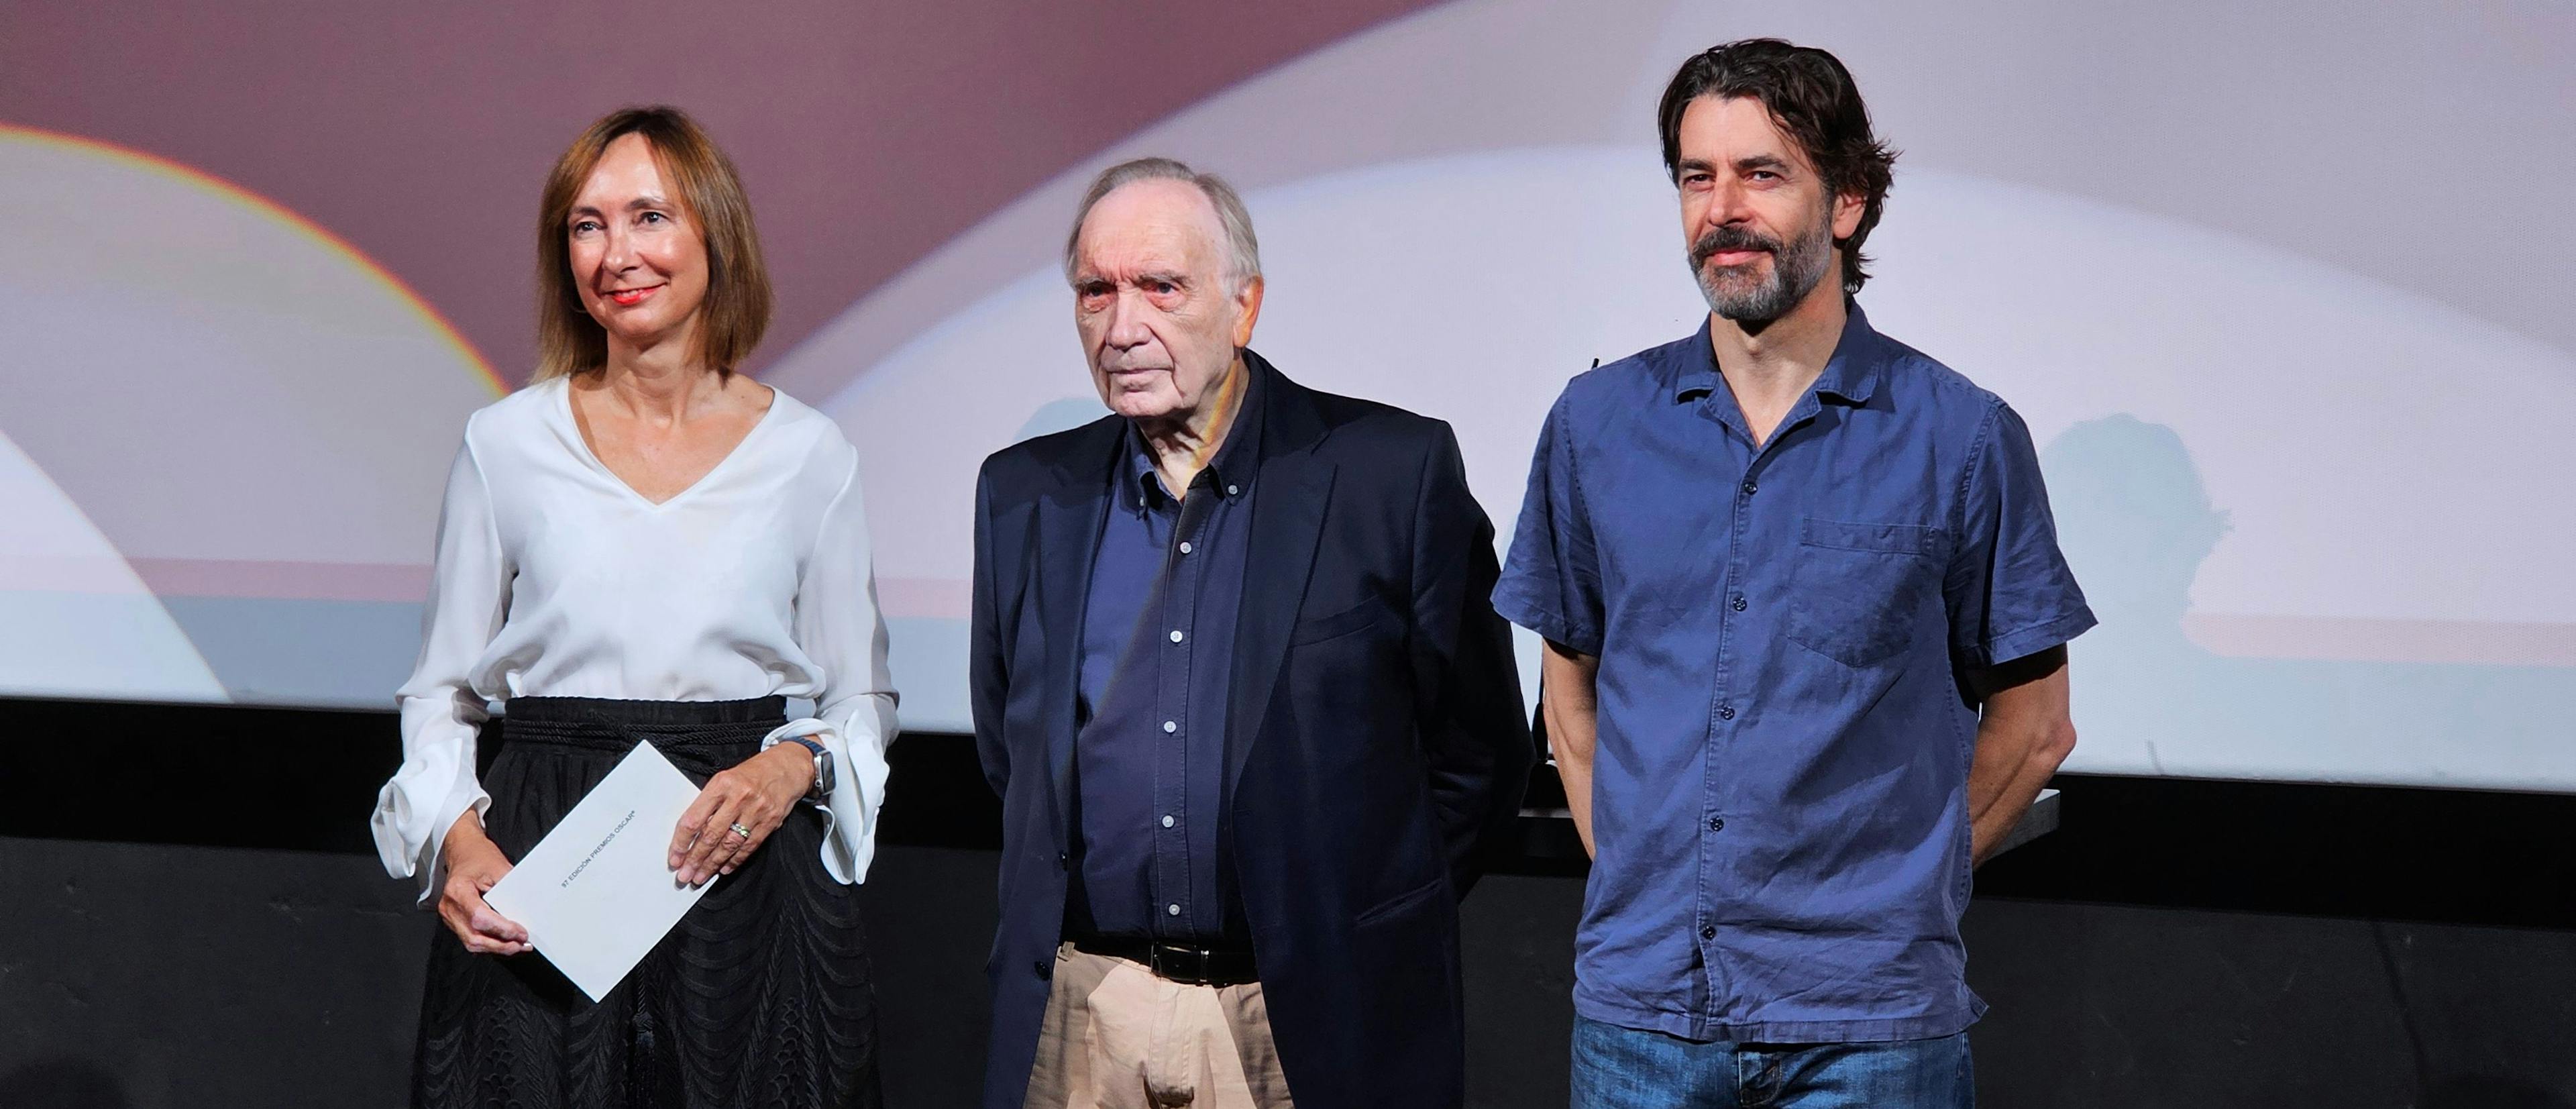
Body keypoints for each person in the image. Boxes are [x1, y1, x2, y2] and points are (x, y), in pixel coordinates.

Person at [1495, 40, 2094, 1108]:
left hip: (1867, 1031)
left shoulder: (1960, 437)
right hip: (1641, 1020)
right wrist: (1642, 880)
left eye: (1762, 174)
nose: (1723, 208)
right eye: (1697, 176)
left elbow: (2038, 721)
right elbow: (1569, 695)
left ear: (1850, 201)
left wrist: (1905, 888)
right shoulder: (1597, 426)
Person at [969, 157, 1533, 1109]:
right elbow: (1007, 749)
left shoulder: (1389, 475)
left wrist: (1349, 915)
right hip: (1086, 1012)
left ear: (1244, 306)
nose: (1123, 325)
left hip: (1301, 1016)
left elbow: (1478, 757)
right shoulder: (1025, 493)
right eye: (1095, 291)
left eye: (1161, 286)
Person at [370, 105, 896, 1108]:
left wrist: (793, 765)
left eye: (649, 217)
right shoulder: (505, 445)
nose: (618, 252)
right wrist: (460, 839)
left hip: (741, 856)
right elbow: (441, 690)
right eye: (586, 225)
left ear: (715, 235)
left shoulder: (810, 456)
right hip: (543, 848)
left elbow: (862, 698)